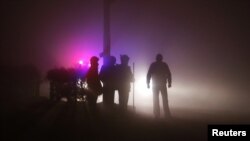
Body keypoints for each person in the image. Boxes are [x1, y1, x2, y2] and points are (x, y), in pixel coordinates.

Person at [147, 54, 172, 118]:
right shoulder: (164, 65)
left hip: (156, 84)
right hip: (162, 84)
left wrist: (148, 83)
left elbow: (149, 74)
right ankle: (166, 113)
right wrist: (169, 83)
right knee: (164, 99)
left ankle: (157, 113)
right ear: (161, 58)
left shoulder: (153, 65)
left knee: (156, 99)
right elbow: (169, 74)